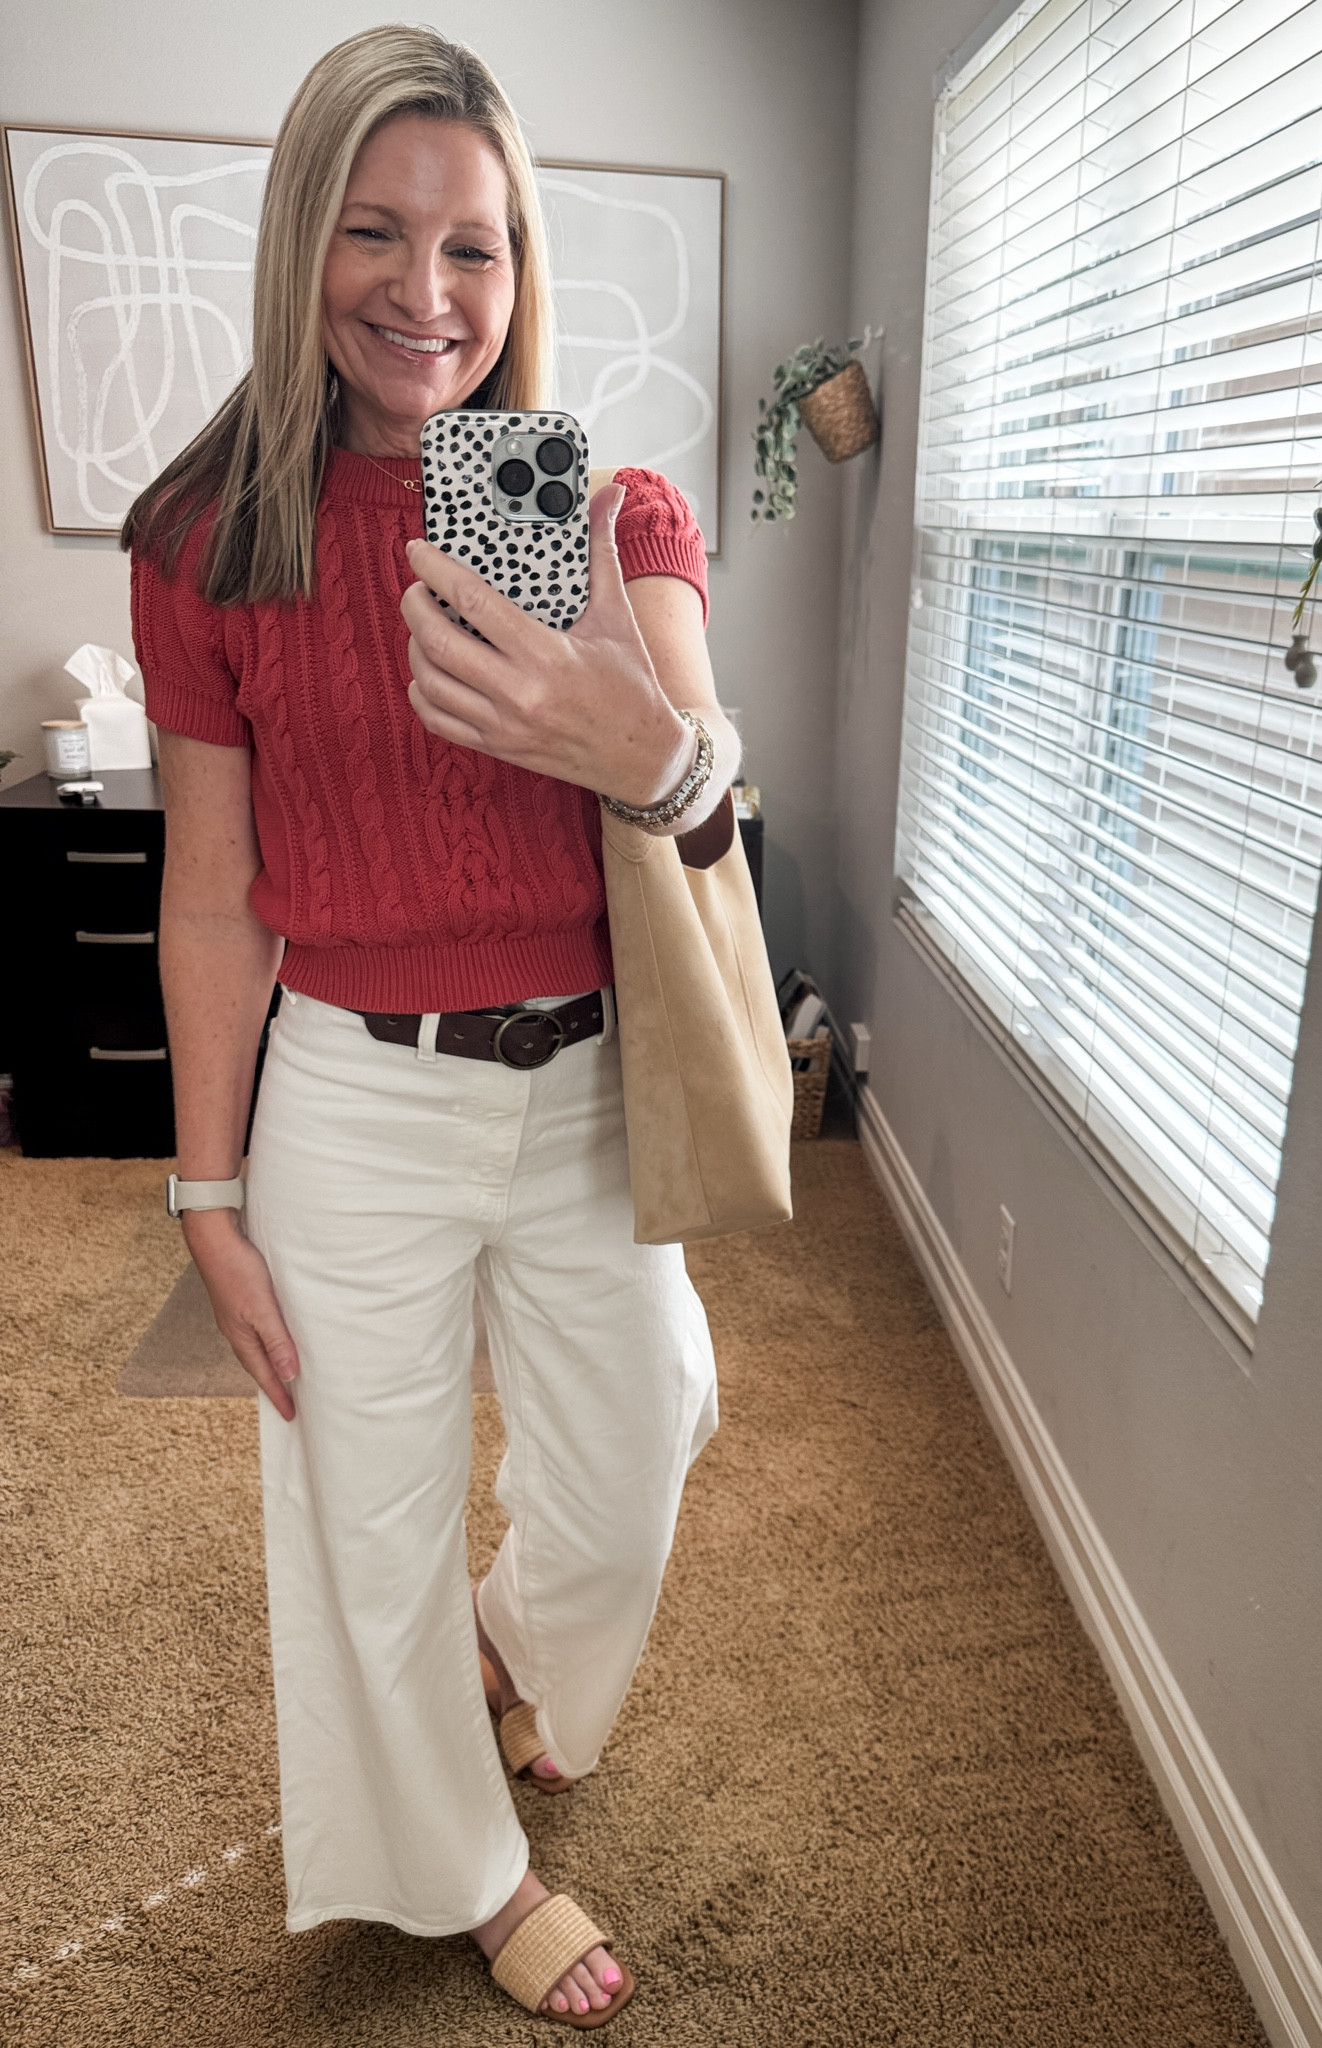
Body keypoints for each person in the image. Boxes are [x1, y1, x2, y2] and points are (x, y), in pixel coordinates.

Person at [123, 24, 737, 2027]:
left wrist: (640, 743)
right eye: (374, 232)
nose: (426, 290)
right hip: (349, 1101)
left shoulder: (598, 509)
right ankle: (469, 1868)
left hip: (590, 1087)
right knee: (359, 1519)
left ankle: (505, 1652)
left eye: (473, 244)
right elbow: (211, 889)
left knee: (637, 1453)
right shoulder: (208, 539)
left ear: (519, 265)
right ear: (304, 241)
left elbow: (709, 808)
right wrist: (207, 1193)